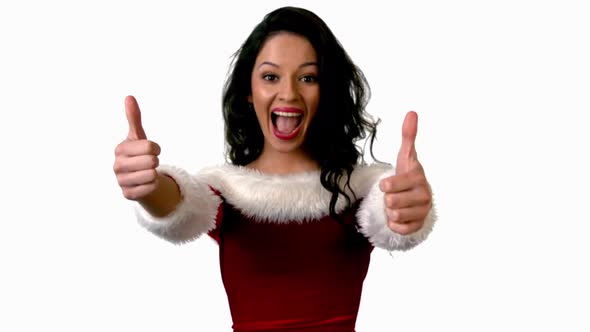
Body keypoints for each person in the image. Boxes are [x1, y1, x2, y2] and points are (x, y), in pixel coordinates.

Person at [113, 6, 436, 332]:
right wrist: (149, 186)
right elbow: (179, 202)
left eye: (308, 78)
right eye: (270, 76)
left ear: (327, 92)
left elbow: (392, 209)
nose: (289, 93)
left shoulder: (362, 190)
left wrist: (410, 207)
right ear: (249, 93)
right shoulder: (227, 190)